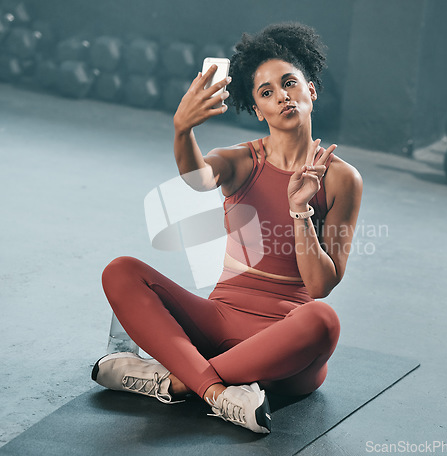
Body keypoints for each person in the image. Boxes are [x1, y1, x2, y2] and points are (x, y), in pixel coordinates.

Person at [92, 23, 363, 434]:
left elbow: (321, 285)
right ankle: (218, 393)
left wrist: (300, 209)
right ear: (257, 110)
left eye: (290, 83)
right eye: (266, 92)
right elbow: (196, 178)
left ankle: (174, 381)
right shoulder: (239, 160)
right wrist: (183, 130)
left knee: (323, 319)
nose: (282, 96)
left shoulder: (342, 179)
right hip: (217, 321)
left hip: (284, 348)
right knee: (121, 270)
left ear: (312, 89)